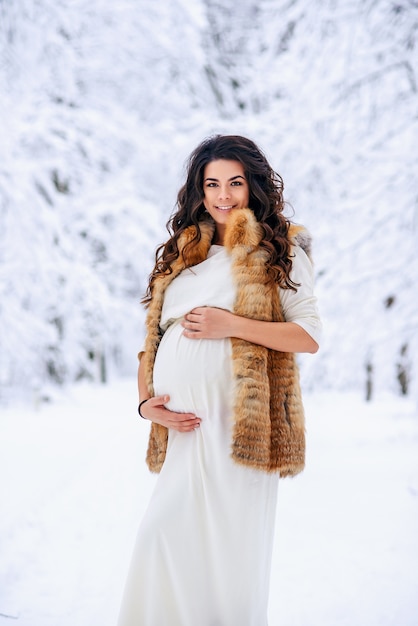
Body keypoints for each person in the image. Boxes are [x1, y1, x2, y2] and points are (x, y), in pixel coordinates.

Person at [117, 135, 321, 626]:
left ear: (254, 186)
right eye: (212, 184)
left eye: (235, 182)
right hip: (186, 431)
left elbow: (308, 336)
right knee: (160, 539)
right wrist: (146, 405)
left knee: (229, 561)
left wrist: (232, 325)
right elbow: (152, 342)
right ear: (198, 190)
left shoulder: (281, 247)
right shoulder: (183, 253)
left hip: (240, 431)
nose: (223, 195)